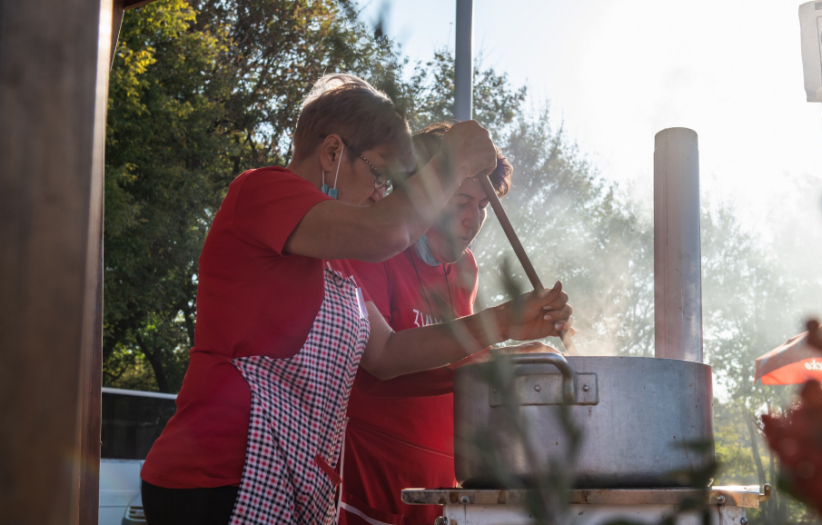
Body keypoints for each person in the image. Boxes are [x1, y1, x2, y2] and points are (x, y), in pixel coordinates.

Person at [138, 75, 572, 525]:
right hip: (217, 471)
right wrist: (453, 160)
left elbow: (387, 354)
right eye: (379, 175)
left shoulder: (337, 260)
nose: (383, 194)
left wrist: (506, 325)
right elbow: (387, 232)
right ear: (331, 153)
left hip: (292, 478)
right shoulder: (262, 191)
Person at [339, 122, 530, 525]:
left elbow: (461, 356)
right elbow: (382, 360)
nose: (472, 219)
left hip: (443, 483)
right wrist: (503, 334)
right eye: (461, 200)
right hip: (372, 473)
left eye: (482, 206)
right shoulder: (373, 244)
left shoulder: (467, 268)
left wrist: (520, 357)